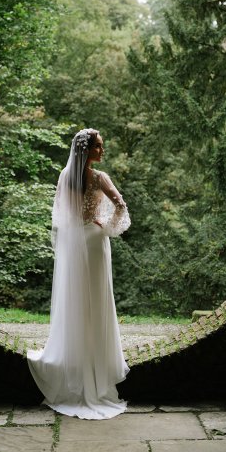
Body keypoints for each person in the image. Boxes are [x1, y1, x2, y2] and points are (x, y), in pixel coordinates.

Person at [27, 128, 131, 420]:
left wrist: (73, 235)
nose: (102, 151)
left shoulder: (64, 176)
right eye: (99, 147)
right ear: (88, 150)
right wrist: (106, 225)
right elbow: (121, 206)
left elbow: (59, 217)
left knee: (76, 304)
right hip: (95, 242)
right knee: (96, 304)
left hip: (74, 245)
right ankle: (97, 372)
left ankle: (75, 368)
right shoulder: (100, 178)